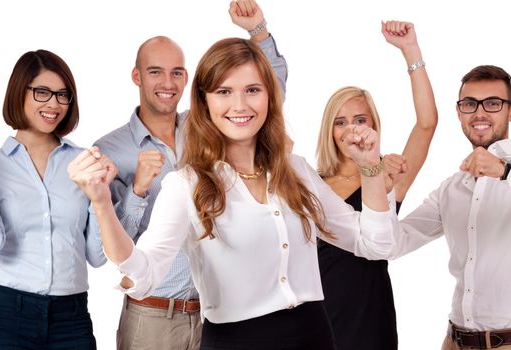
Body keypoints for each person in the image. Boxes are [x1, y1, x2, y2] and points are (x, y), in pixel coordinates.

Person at [68, 34, 399, 350]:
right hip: (233, 341)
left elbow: (375, 243)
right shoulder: (186, 185)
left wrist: (370, 168)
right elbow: (143, 273)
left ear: (269, 95)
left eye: (252, 89)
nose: (240, 105)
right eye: (224, 92)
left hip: (315, 335)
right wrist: (101, 203)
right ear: (205, 101)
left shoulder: (295, 169)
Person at [93, 1, 287, 349]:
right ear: (137, 76)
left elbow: (267, 93)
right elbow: (101, 248)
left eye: (177, 72)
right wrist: (137, 191)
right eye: (155, 72)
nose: (167, 83)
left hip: (219, 315)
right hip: (153, 317)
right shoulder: (109, 150)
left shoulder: (206, 128)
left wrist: (258, 30)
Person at [315, 21, 438, 350]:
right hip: (315, 320)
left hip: (369, 321)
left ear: (373, 126)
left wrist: (410, 51)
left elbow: (426, 125)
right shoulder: (312, 183)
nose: (350, 130)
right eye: (340, 122)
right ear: (329, 129)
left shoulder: (388, 176)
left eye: (359, 120)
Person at [380, 64, 511, 350]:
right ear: (459, 113)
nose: (479, 113)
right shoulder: (451, 189)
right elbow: (391, 244)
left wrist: (505, 171)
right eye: (469, 104)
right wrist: (385, 190)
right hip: (454, 341)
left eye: (493, 103)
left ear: (510, 111)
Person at [0, 50, 109, 349]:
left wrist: (103, 195)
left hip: (72, 315)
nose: (53, 104)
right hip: (4, 312)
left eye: (62, 94)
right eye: (42, 92)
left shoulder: (85, 162)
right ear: (19, 92)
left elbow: (97, 255)